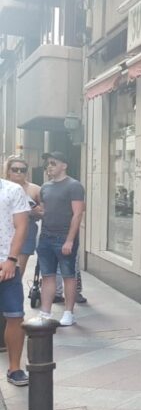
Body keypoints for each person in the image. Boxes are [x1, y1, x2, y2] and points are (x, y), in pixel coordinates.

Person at [36, 151, 85, 326]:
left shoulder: (74, 186)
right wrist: (36, 212)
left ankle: (69, 312)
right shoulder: (45, 187)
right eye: (48, 164)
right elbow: (43, 211)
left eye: (53, 163)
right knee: (47, 276)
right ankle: (45, 312)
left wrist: (70, 240)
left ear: (64, 165)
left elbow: (78, 214)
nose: (49, 166)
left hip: (64, 237)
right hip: (45, 237)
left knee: (68, 275)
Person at [0, 173, 30, 385]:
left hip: (5, 263)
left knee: (15, 316)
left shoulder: (12, 190)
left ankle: (14, 368)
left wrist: (12, 259)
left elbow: (21, 226)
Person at [4, 157, 41, 272]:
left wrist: (33, 209)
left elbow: (44, 212)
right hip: (4, 229)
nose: (19, 172)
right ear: (9, 171)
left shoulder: (34, 189)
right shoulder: (3, 187)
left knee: (18, 269)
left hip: (27, 230)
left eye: (23, 170)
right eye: (15, 169)